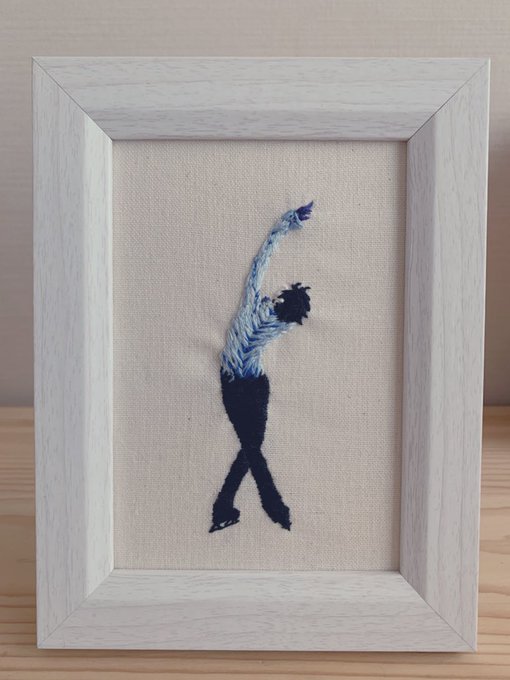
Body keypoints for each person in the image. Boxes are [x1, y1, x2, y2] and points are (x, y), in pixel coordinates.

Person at [210, 202, 313, 533]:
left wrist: (283, 227)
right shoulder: (262, 310)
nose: (276, 307)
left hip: (246, 383)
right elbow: (260, 262)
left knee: (251, 446)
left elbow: (259, 267)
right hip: (241, 383)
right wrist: (283, 226)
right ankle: (269, 506)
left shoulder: (260, 311)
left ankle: (226, 506)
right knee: (252, 447)